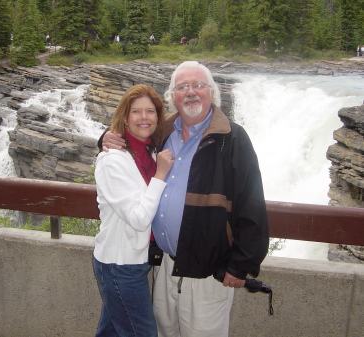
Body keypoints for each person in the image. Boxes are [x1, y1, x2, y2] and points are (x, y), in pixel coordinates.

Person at [101, 61, 269, 336]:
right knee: (166, 332)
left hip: (208, 268)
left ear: (212, 93)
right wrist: (105, 138)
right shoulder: (162, 132)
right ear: (173, 97)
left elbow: (252, 203)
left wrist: (242, 265)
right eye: (182, 87)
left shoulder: (232, 138)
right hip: (165, 263)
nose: (191, 92)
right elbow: (131, 138)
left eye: (199, 85)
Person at [93, 84, 175, 337]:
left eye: (150, 111)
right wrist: (161, 174)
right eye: (136, 112)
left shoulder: (152, 149)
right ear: (125, 117)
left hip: (138, 260)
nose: (144, 118)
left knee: (112, 331)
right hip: (120, 263)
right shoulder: (112, 160)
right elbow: (139, 218)